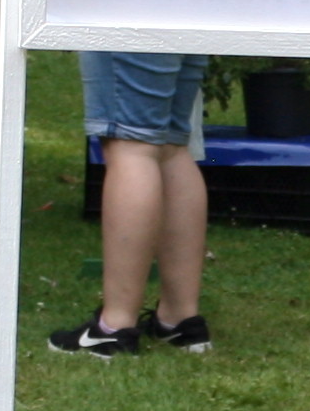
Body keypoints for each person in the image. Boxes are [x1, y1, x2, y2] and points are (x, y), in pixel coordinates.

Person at [49, 54, 216, 356]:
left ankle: (114, 328)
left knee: (131, 144)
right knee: (171, 144)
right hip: (188, 22)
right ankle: (179, 319)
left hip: (133, 22)